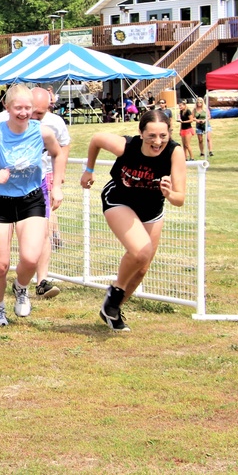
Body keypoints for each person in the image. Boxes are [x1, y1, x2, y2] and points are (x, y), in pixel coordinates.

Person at [81, 109, 186, 332]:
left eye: (163, 136)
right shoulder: (126, 146)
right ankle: (115, 292)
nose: (157, 142)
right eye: (151, 136)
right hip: (119, 199)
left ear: (169, 134)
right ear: (140, 133)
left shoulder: (174, 153)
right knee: (140, 250)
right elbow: (97, 139)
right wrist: (89, 170)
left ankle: (112, 310)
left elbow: (180, 199)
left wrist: (169, 193)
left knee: (141, 267)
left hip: (152, 209)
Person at [0, 84, 66, 327]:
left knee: (31, 258)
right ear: (7, 108)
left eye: (27, 108)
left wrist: (56, 186)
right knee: (0, 265)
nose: (23, 113)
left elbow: (58, 153)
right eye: (18, 108)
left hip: (30, 199)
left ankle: (21, 288)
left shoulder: (42, 132)